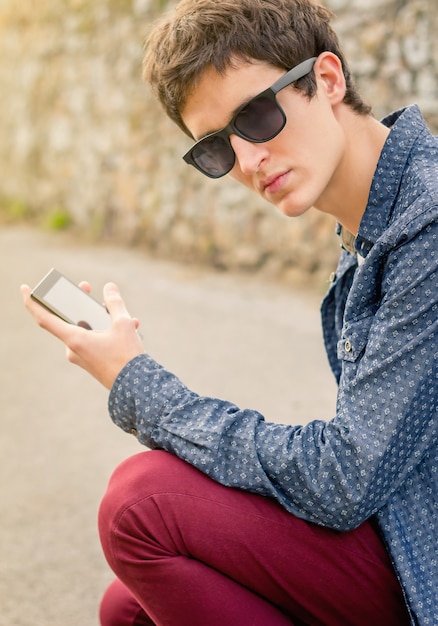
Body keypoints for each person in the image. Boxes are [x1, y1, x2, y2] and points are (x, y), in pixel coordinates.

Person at [20, 0, 437, 624]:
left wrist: (139, 384)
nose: (246, 162)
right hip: (405, 527)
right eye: (214, 149)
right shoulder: (372, 225)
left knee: (140, 506)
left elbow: (344, 477)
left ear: (326, 80)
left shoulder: (425, 226)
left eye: (257, 115)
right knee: (127, 610)